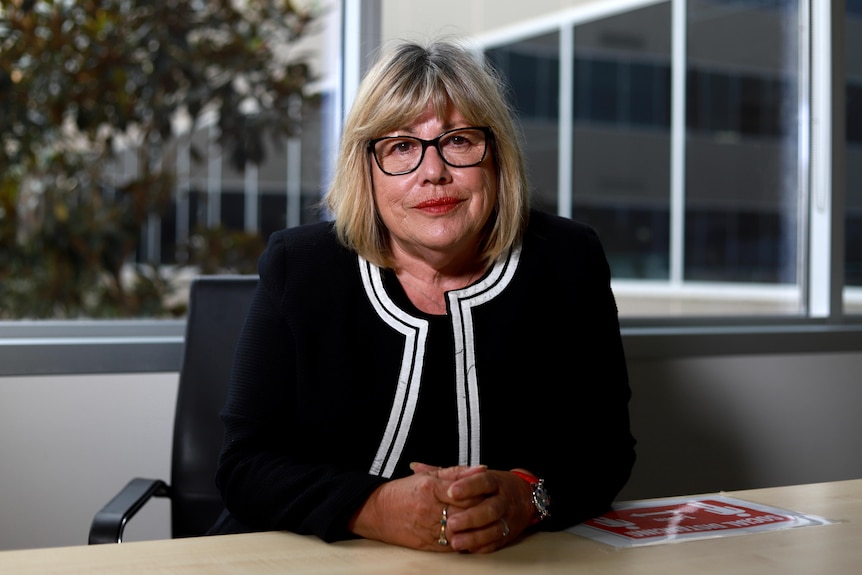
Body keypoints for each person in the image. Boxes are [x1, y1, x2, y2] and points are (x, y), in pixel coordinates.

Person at [209, 38, 636, 554]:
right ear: (365, 170)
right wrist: (376, 507)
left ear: (496, 157)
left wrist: (527, 498)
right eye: (402, 147)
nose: (432, 172)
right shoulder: (300, 267)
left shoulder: (569, 260)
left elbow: (606, 450)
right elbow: (245, 466)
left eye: (457, 141)